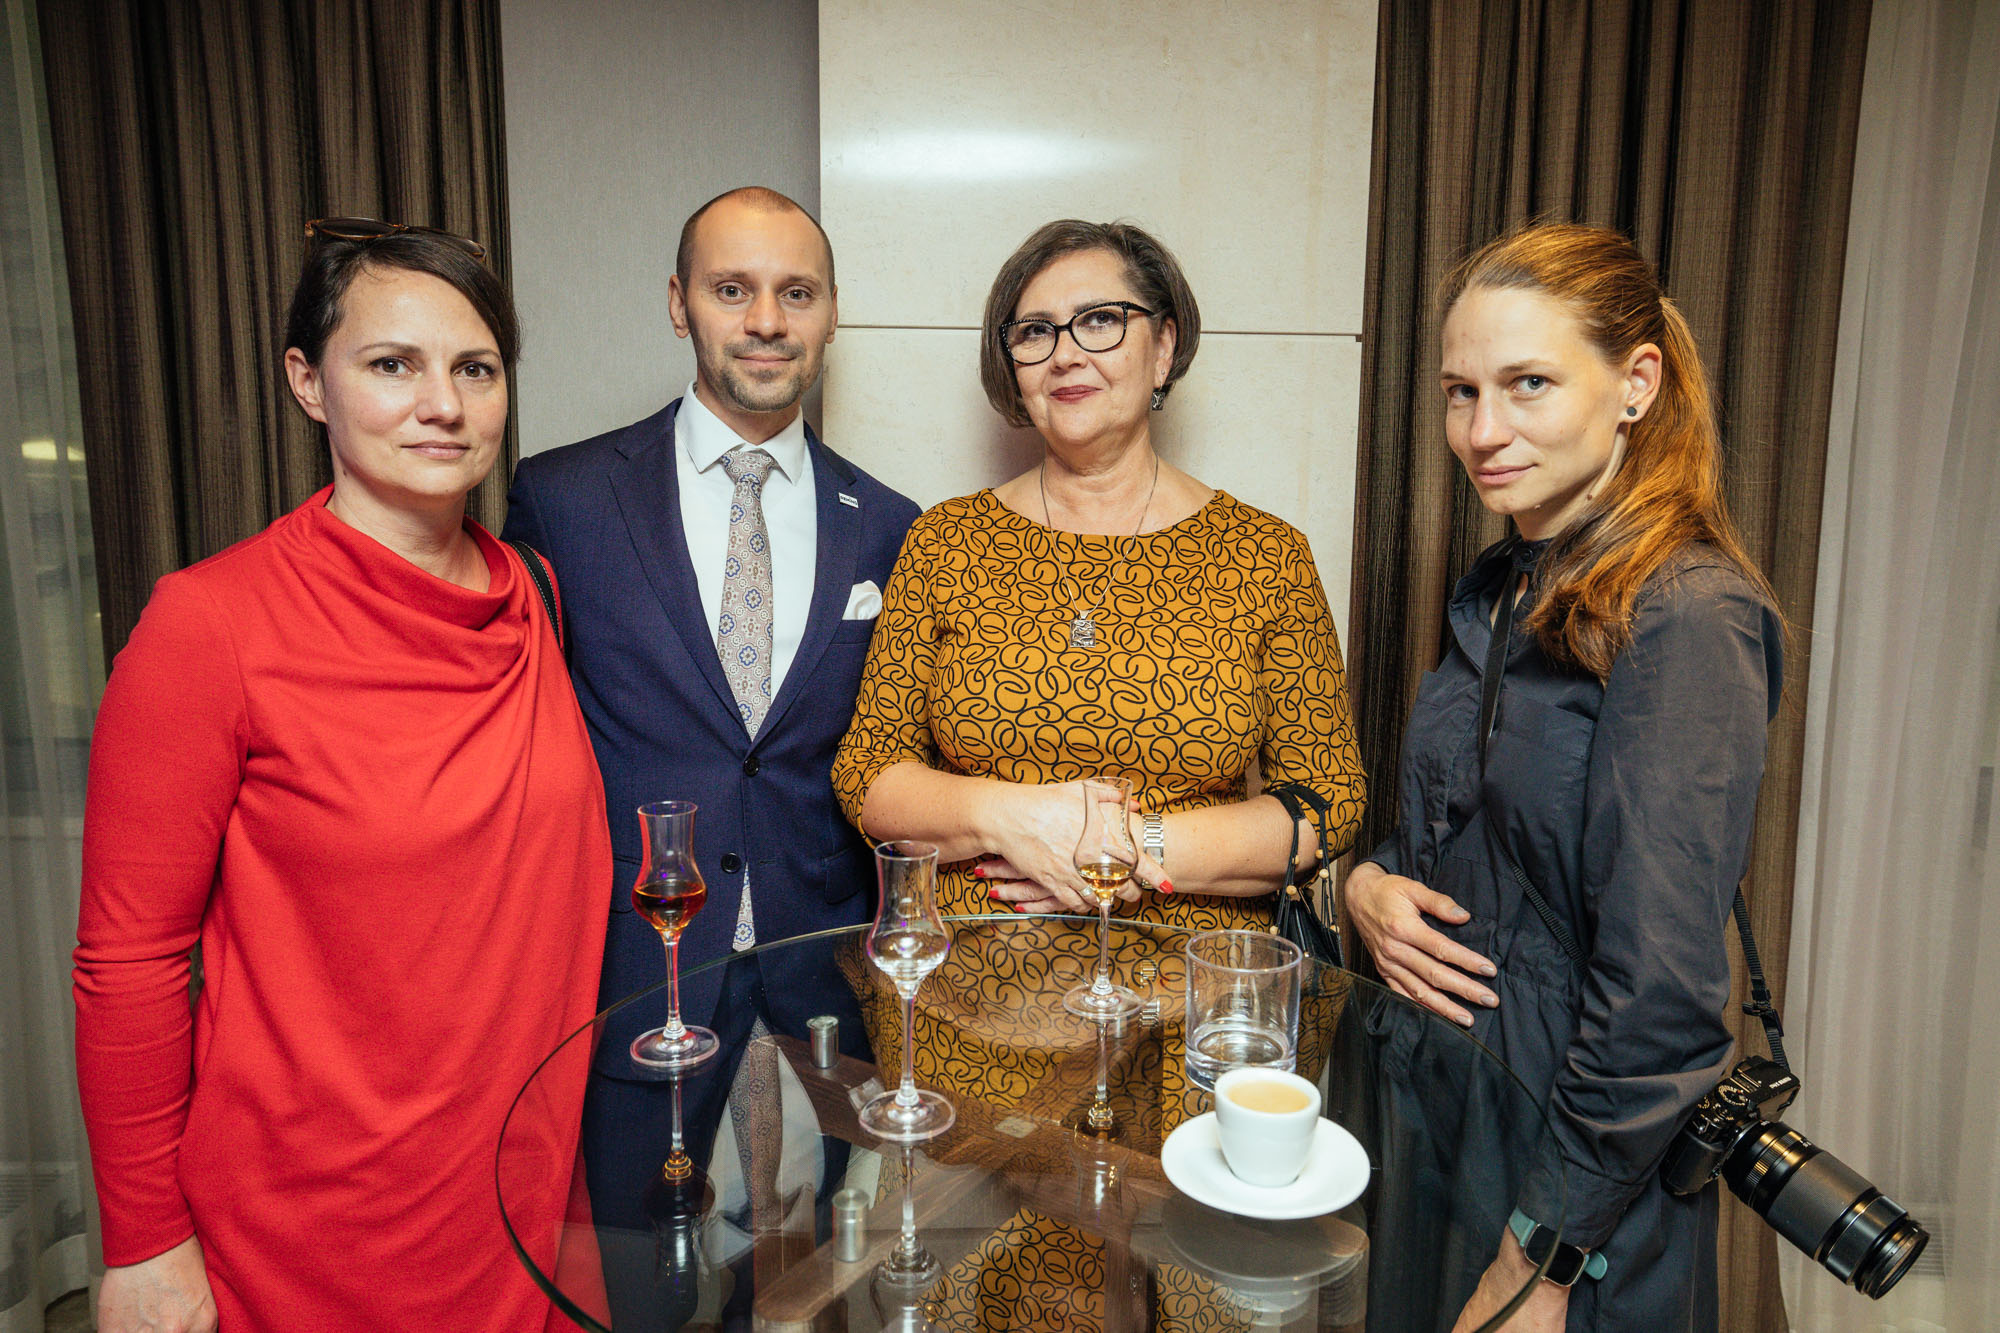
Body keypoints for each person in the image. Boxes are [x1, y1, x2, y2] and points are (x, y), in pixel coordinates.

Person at [74, 220, 610, 1331]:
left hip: (528, 1196)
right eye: (392, 364)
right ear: (307, 382)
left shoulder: (536, 594)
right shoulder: (210, 625)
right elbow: (128, 959)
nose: (443, 405)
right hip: (315, 1230)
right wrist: (145, 1243)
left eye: (475, 368)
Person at [1343, 223, 1785, 1332]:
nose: (1481, 431)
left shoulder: (1687, 614)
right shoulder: (1505, 583)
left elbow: (1661, 998)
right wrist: (1368, 884)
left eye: (1526, 384)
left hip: (1569, 1179)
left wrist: (1538, 1256)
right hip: (1449, 1117)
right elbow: (1466, 832)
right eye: (1460, 392)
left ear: (1636, 383)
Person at [502, 187, 918, 1324]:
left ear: (831, 312)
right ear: (679, 303)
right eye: (733, 289)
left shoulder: (892, 524)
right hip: (635, 970)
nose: (766, 320)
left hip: (820, 978)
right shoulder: (563, 495)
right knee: (633, 1285)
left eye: (796, 292)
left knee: (811, 1281)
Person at [832, 217, 1364, 926]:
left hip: (1195, 978)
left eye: (1101, 321)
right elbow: (867, 771)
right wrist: (1015, 819)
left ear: (1163, 347)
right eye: (1035, 332)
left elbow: (1328, 799)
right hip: (969, 974)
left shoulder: (1267, 554)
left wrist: (1127, 846)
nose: (1065, 355)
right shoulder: (945, 542)